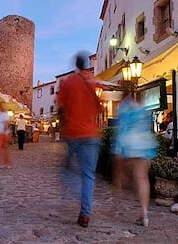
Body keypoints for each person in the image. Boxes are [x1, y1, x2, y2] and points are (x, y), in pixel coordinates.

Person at [56, 51, 102, 228]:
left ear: (76, 65)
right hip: (91, 134)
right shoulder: (92, 82)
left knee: (67, 170)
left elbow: (60, 107)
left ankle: (72, 192)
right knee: (88, 176)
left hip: (72, 133)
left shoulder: (68, 82)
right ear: (87, 64)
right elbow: (98, 109)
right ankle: (85, 213)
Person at [113, 96, 157, 227]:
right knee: (142, 178)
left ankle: (118, 194)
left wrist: (118, 149)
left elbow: (122, 128)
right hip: (145, 143)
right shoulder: (143, 109)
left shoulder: (125, 108)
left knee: (122, 174)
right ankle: (144, 212)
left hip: (130, 142)